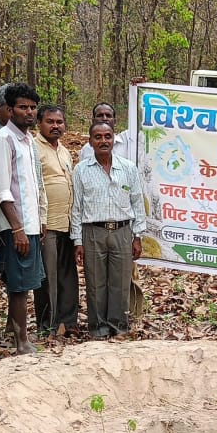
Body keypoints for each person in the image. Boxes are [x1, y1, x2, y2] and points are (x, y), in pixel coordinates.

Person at [71, 122, 146, 339]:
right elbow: (76, 207)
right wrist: (77, 240)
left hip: (122, 231)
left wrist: (137, 236)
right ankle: (98, 328)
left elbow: (137, 202)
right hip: (93, 232)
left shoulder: (128, 168)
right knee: (96, 283)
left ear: (114, 139)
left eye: (107, 136)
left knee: (120, 283)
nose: (103, 141)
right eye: (98, 137)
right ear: (90, 141)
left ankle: (118, 326)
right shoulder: (81, 170)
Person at [0, 82, 46, 355]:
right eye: (23, 107)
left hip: (31, 225)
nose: (29, 112)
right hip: (15, 227)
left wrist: (38, 221)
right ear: (9, 110)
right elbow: (1, 189)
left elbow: (32, 184)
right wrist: (18, 228)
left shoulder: (28, 140)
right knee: (19, 285)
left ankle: (18, 334)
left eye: (33, 107)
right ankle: (21, 342)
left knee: (25, 283)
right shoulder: (3, 140)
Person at [34, 104, 80, 336]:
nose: (55, 126)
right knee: (47, 279)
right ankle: (47, 325)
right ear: (39, 123)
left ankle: (68, 322)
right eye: (50, 121)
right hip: (47, 224)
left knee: (67, 276)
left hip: (67, 224)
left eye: (59, 122)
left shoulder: (63, 150)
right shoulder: (34, 147)